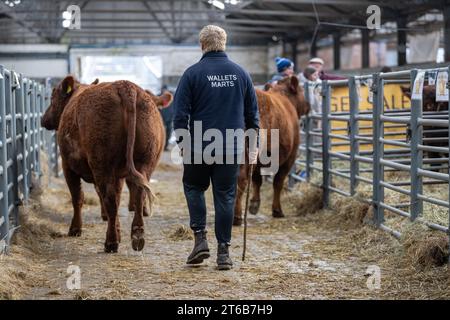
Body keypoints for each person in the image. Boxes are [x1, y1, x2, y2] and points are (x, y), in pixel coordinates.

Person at [172, 25, 259, 270]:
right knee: (225, 196)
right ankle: (224, 253)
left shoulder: (192, 74)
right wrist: (254, 146)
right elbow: (253, 115)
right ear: (224, 43)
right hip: (230, 147)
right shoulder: (240, 73)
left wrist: (183, 143)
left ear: (202, 44)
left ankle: (200, 239)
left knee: (193, 187)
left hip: (199, 145)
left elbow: (180, 116)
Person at [159, 84, 174, 151]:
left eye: (165, 90)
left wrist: (173, 115)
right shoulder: (158, 97)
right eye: (163, 89)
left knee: (169, 132)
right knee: (161, 132)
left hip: (169, 118)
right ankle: (160, 146)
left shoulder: (171, 97)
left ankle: (166, 146)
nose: (164, 91)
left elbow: (174, 107)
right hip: (160, 118)